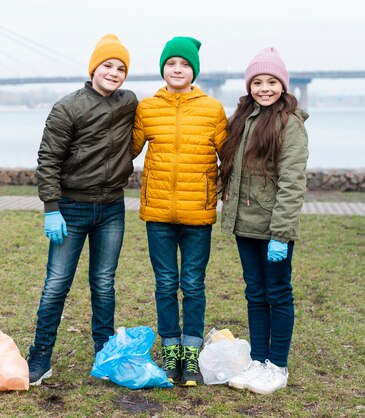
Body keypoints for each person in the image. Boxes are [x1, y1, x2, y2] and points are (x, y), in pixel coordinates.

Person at [27, 34, 138, 386]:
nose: (114, 72)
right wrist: (51, 208)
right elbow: (48, 159)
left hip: (112, 208)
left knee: (104, 284)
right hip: (71, 209)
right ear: (94, 68)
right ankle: (40, 358)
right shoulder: (68, 107)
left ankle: (105, 356)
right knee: (56, 285)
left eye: (121, 68)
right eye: (108, 65)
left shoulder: (129, 103)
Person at [132, 36, 227, 386]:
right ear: (163, 69)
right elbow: (125, 148)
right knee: (165, 284)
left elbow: (229, 157)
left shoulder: (212, 109)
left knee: (193, 284)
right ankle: (170, 349)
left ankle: (192, 352)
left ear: (194, 71)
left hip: (197, 214)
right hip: (157, 213)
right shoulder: (147, 107)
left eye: (184, 64)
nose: (177, 69)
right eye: (171, 63)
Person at [219, 47, 309, 395]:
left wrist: (281, 235)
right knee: (255, 293)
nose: (265, 88)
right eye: (258, 82)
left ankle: (277, 366)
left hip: (274, 230)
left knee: (278, 294)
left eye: (272, 82)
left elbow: (292, 183)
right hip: (246, 225)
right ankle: (258, 360)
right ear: (250, 86)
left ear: (283, 86)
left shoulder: (291, 124)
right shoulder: (243, 119)